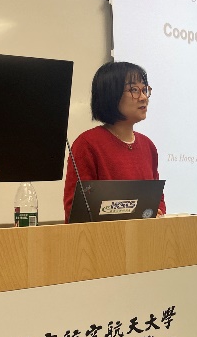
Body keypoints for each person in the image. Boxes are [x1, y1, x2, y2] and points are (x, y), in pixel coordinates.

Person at [63, 61, 165, 222]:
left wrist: (157, 212)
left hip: (145, 235)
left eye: (145, 89)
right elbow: (76, 210)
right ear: (111, 94)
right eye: (134, 90)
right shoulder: (87, 144)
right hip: (105, 236)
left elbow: (157, 200)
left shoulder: (148, 145)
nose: (144, 97)